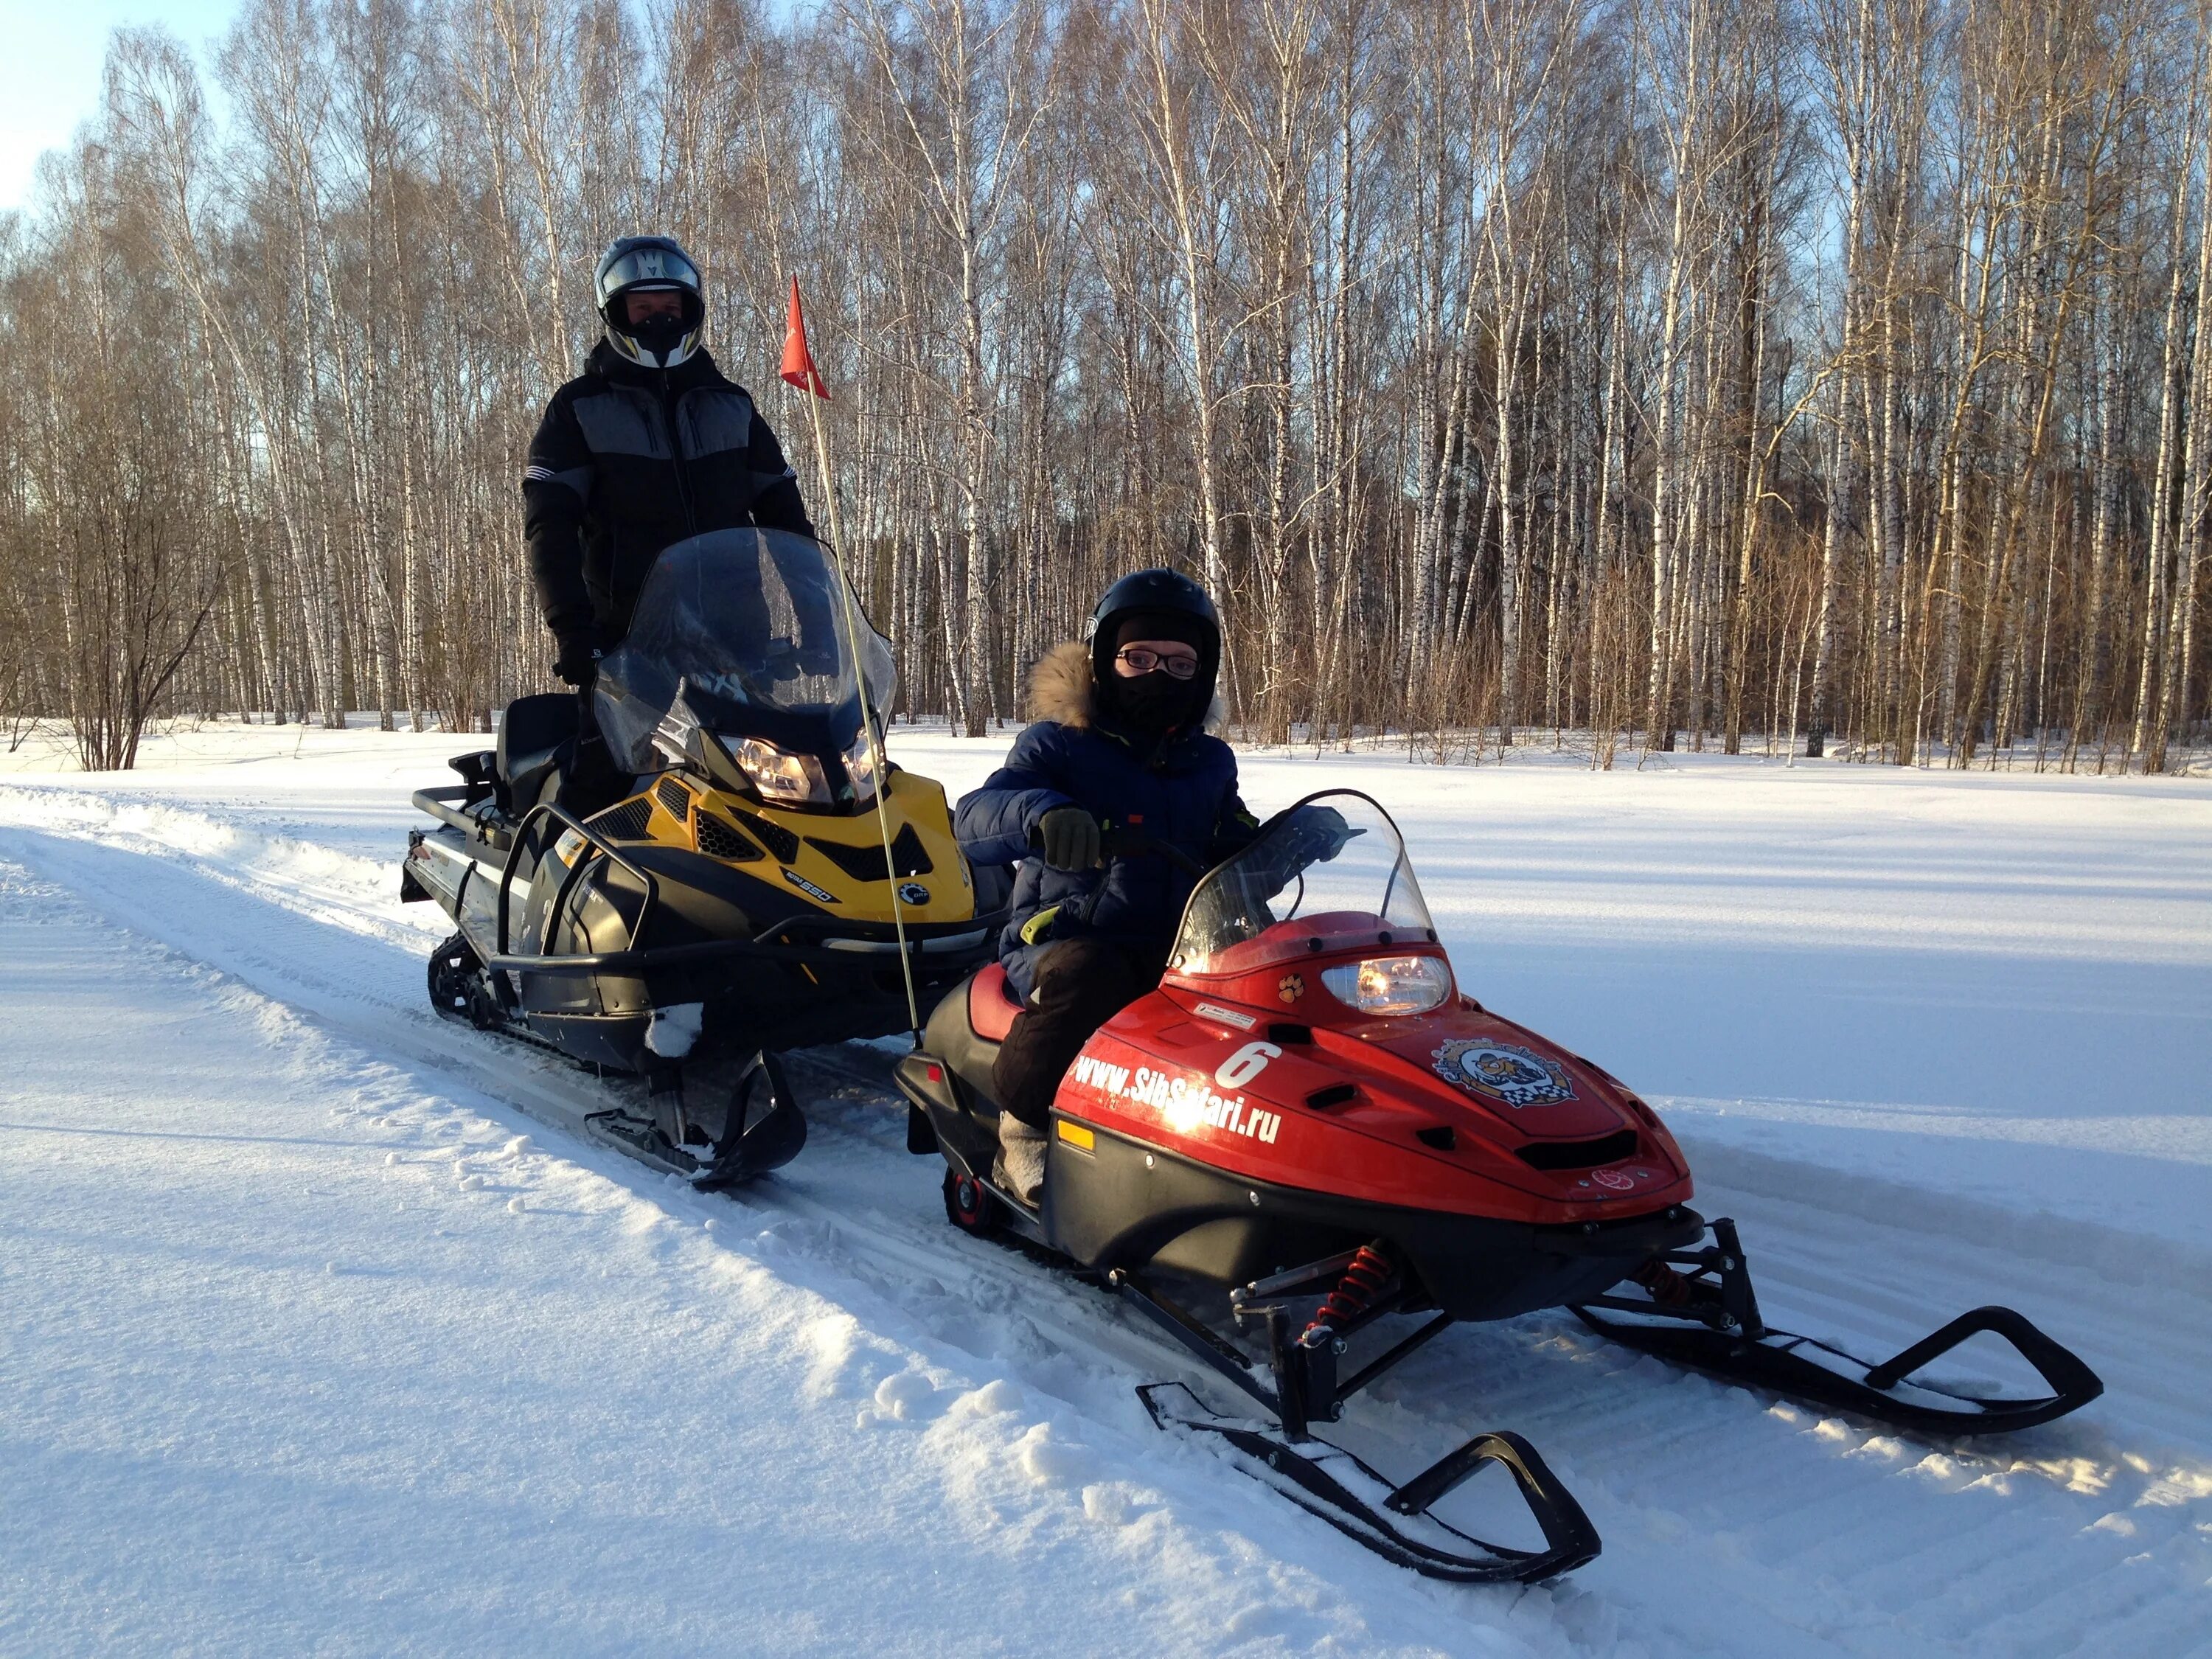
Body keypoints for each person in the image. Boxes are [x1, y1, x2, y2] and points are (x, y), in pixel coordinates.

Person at [953, 570, 1259, 1204]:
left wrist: (1274, 840)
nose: (1157, 676)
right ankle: (1024, 1134)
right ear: (1103, 661)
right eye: (1138, 658)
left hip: (1183, 943)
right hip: (1065, 934)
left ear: (1202, 675)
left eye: (1179, 664)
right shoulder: (1059, 744)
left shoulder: (1209, 761)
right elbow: (977, 816)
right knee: (1092, 973)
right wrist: (1042, 814)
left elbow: (1228, 826)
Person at [521, 235, 815, 806]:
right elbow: (548, 526)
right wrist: (572, 630)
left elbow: (787, 520)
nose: (659, 320)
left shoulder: (731, 406)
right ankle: (563, 883)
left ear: (691, 312)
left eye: (670, 307)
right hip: (628, 643)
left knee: (782, 785)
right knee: (605, 786)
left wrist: (820, 617)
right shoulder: (579, 408)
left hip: (736, 642)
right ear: (616, 314)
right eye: (644, 309)